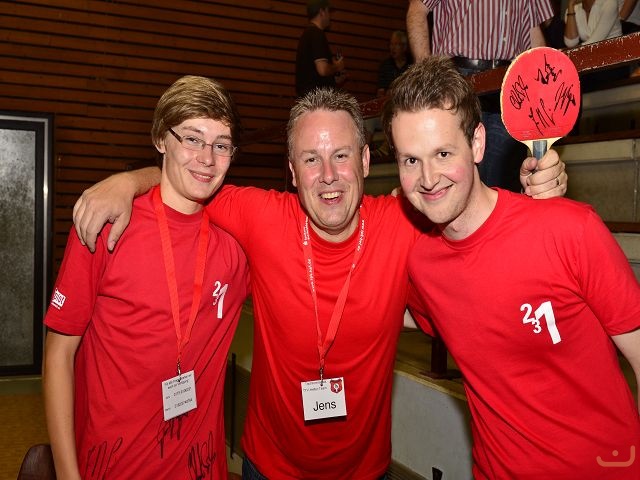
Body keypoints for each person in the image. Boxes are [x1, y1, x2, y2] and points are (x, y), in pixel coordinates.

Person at [70, 86, 566, 479]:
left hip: (364, 471)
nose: (328, 175)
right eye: (311, 159)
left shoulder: (405, 221)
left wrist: (539, 192)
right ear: (292, 171)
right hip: (268, 467)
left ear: (366, 161)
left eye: (342, 156)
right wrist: (126, 182)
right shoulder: (261, 216)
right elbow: (189, 176)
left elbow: (472, 214)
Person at [382, 56, 640, 479]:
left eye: (443, 153)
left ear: (477, 143)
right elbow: (398, 310)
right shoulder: (421, 261)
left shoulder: (570, 229)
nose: (428, 178)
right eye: (411, 160)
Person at [42, 76, 250, 480]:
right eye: (192, 138)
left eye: (221, 145)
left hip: (200, 469)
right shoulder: (106, 225)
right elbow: (58, 355)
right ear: (160, 139)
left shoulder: (237, 243)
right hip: (112, 467)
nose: (207, 158)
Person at [406, 0, 554, 192]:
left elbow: (533, 33)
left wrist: (544, 92)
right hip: (457, 78)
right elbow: (417, 11)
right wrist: (427, 78)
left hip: (511, 82)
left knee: (504, 180)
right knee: (459, 175)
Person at [295, 0, 346, 97]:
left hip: (310, 98)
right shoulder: (316, 34)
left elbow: (313, 75)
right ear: (322, 12)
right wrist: (337, 66)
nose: (329, 16)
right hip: (316, 100)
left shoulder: (308, 34)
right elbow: (322, 70)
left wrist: (333, 80)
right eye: (328, 11)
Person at [377, 30, 412, 98]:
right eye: (391, 44)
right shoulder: (385, 66)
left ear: (404, 47)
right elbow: (380, 91)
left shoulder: (412, 65)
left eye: (396, 44)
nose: (393, 48)